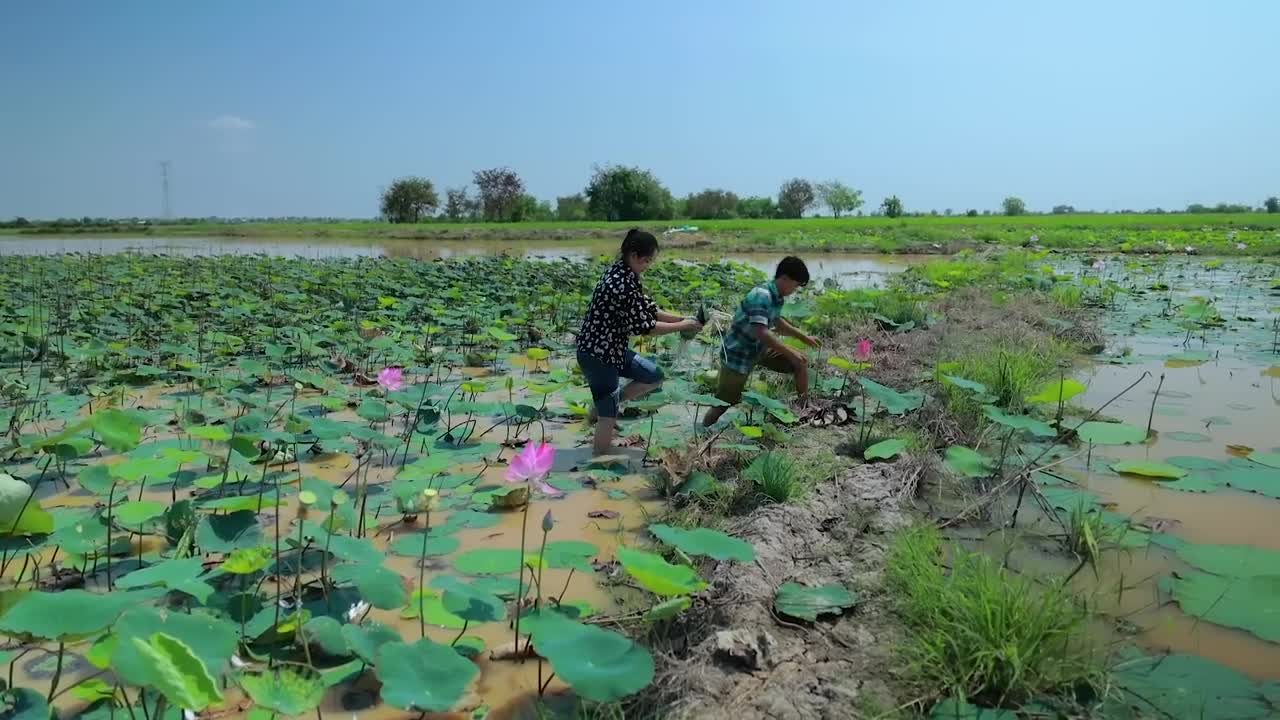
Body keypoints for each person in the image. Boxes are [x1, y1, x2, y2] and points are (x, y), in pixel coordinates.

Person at [577, 229, 703, 456]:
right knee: (609, 417)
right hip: (598, 354)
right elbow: (644, 327)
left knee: (653, 375)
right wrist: (682, 326)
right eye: (646, 260)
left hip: (612, 350)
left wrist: (683, 319)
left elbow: (648, 309)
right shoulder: (620, 284)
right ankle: (598, 464)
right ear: (633, 255)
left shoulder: (626, 275)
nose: (647, 265)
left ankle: (603, 407)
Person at [702, 256, 818, 427]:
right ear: (784, 278)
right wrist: (788, 350)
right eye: (795, 285)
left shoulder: (776, 296)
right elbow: (762, 332)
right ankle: (702, 431)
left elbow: (776, 321)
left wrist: (802, 337)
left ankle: (804, 406)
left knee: (800, 362)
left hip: (758, 349)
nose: (794, 290)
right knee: (724, 403)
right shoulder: (761, 295)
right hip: (738, 354)